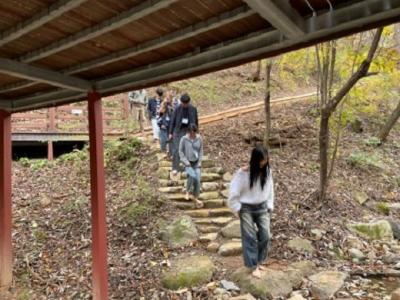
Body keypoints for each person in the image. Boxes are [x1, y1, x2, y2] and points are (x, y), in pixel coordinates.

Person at [228, 145, 274, 279]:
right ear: (255, 159)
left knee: (265, 235)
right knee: (250, 236)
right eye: (261, 160)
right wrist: (237, 207)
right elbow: (233, 192)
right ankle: (253, 266)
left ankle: (260, 261)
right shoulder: (243, 173)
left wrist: (270, 205)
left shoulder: (267, 171)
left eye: (265, 160)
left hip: (262, 206)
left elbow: (270, 190)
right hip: (246, 207)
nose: (263, 163)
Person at [169, 93, 199, 175]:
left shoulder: (193, 109)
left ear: (189, 102)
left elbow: (196, 121)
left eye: (186, 103)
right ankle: (175, 168)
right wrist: (170, 132)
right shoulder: (177, 109)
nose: (185, 105)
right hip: (178, 131)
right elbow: (172, 121)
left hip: (189, 131)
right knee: (176, 149)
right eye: (183, 103)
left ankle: (188, 167)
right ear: (181, 102)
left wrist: (196, 132)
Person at [179, 124, 204, 208]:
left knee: (197, 179)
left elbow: (201, 151)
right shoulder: (184, 139)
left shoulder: (199, 138)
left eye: (194, 133)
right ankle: (187, 192)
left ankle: (195, 196)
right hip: (187, 162)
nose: (192, 134)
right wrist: (185, 161)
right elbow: (181, 152)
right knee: (192, 175)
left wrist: (200, 162)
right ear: (188, 132)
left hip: (196, 162)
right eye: (190, 133)